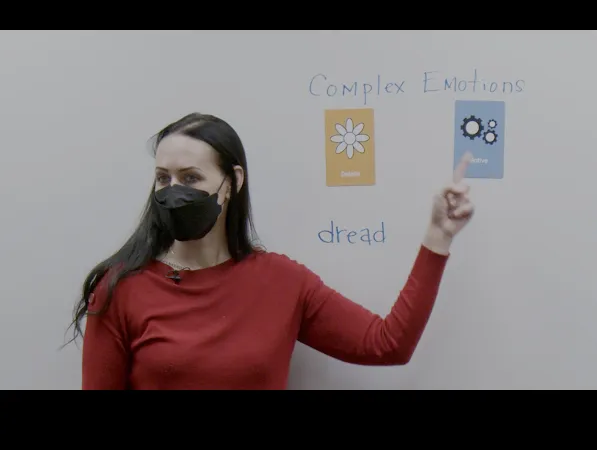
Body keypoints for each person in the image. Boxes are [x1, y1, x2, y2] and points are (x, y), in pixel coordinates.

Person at [72, 112, 474, 390]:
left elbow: (388, 343)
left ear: (232, 183)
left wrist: (438, 237)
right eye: (163, 178)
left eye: (191, 177)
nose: (173, 191)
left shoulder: (282, 282)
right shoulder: (120, 289)